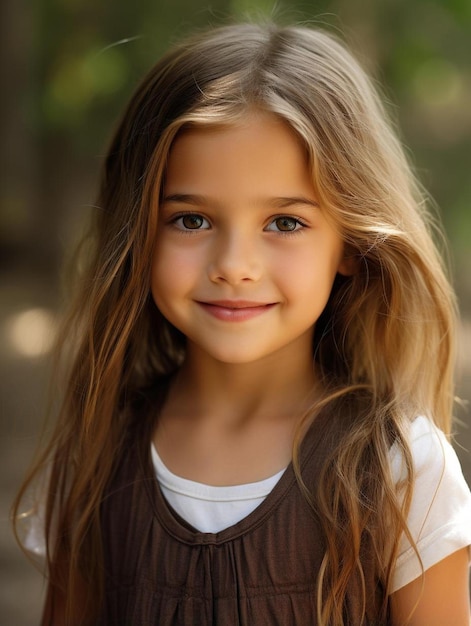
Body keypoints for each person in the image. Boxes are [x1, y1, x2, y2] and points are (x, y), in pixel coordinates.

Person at [13, 21, 471, 625]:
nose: (233, 267)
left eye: (284, 223)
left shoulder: (401, 472)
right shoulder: (97, 452)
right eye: (192, 220)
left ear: (351, 246)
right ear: (139, 232)